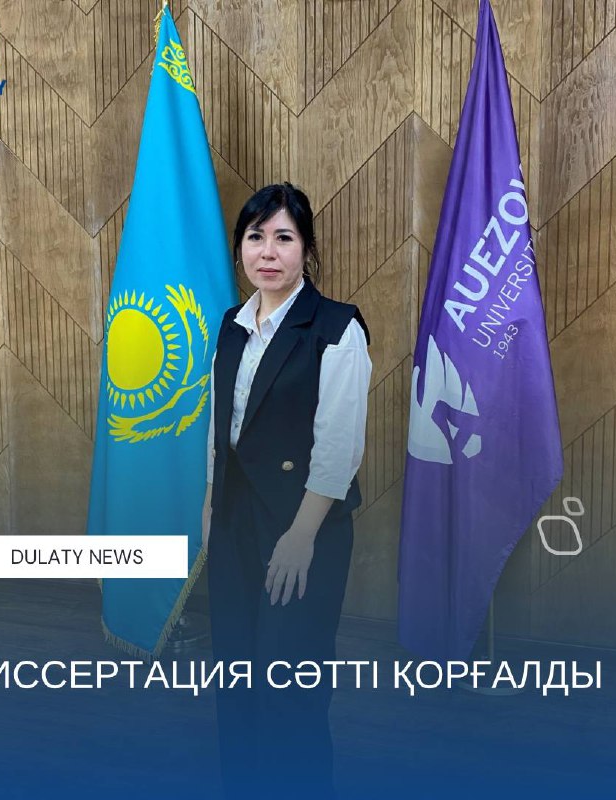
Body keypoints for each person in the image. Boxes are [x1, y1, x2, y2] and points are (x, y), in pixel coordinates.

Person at [201, 182, 372, 799]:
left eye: (283, 237)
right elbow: (221, 427)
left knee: (290, 686)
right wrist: (210, 507)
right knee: (236, 680)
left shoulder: (336, 329)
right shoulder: (230, 325)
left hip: (304, 527)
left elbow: (338, 447)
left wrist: (301, 537)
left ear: (306, 249)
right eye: (255, 237)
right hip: (235, 524)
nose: (267, 252)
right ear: (240, 249)